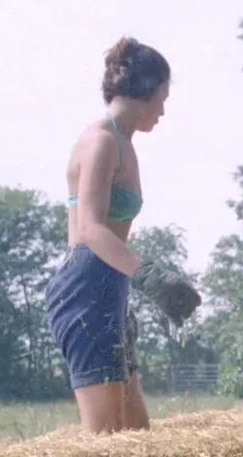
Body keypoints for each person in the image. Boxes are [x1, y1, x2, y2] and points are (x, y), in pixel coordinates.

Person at [48, 37, 171, 433]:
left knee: (136, 439)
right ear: (145, 91)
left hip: (110, 287)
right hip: (85, 287)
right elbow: (90, 229)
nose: (163, 111)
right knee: (106, 446)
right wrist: (153, 277)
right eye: (162, 98)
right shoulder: (101, 140)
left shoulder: (124, 143)